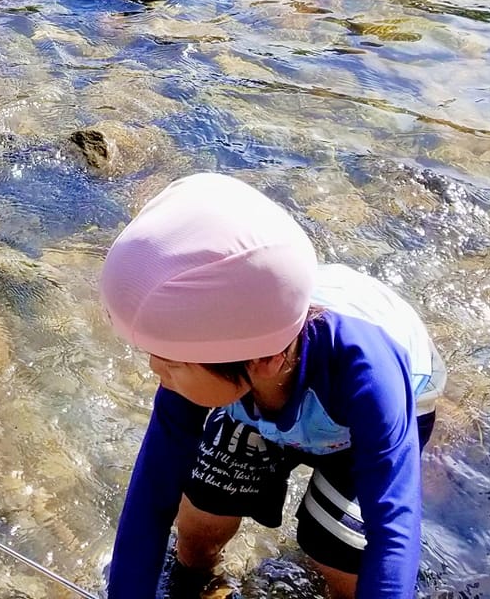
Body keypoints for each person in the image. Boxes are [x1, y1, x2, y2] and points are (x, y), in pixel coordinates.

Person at [102, 174, 444, 599]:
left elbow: (394, 529)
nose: (156, 370)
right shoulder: (217, 345)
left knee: (337, 546)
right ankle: (199, 582)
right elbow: (152, 496)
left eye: (169, 362)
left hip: (359, 424)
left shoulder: (370, 375)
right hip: (259, 391)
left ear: (262, 360)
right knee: (202, 513)